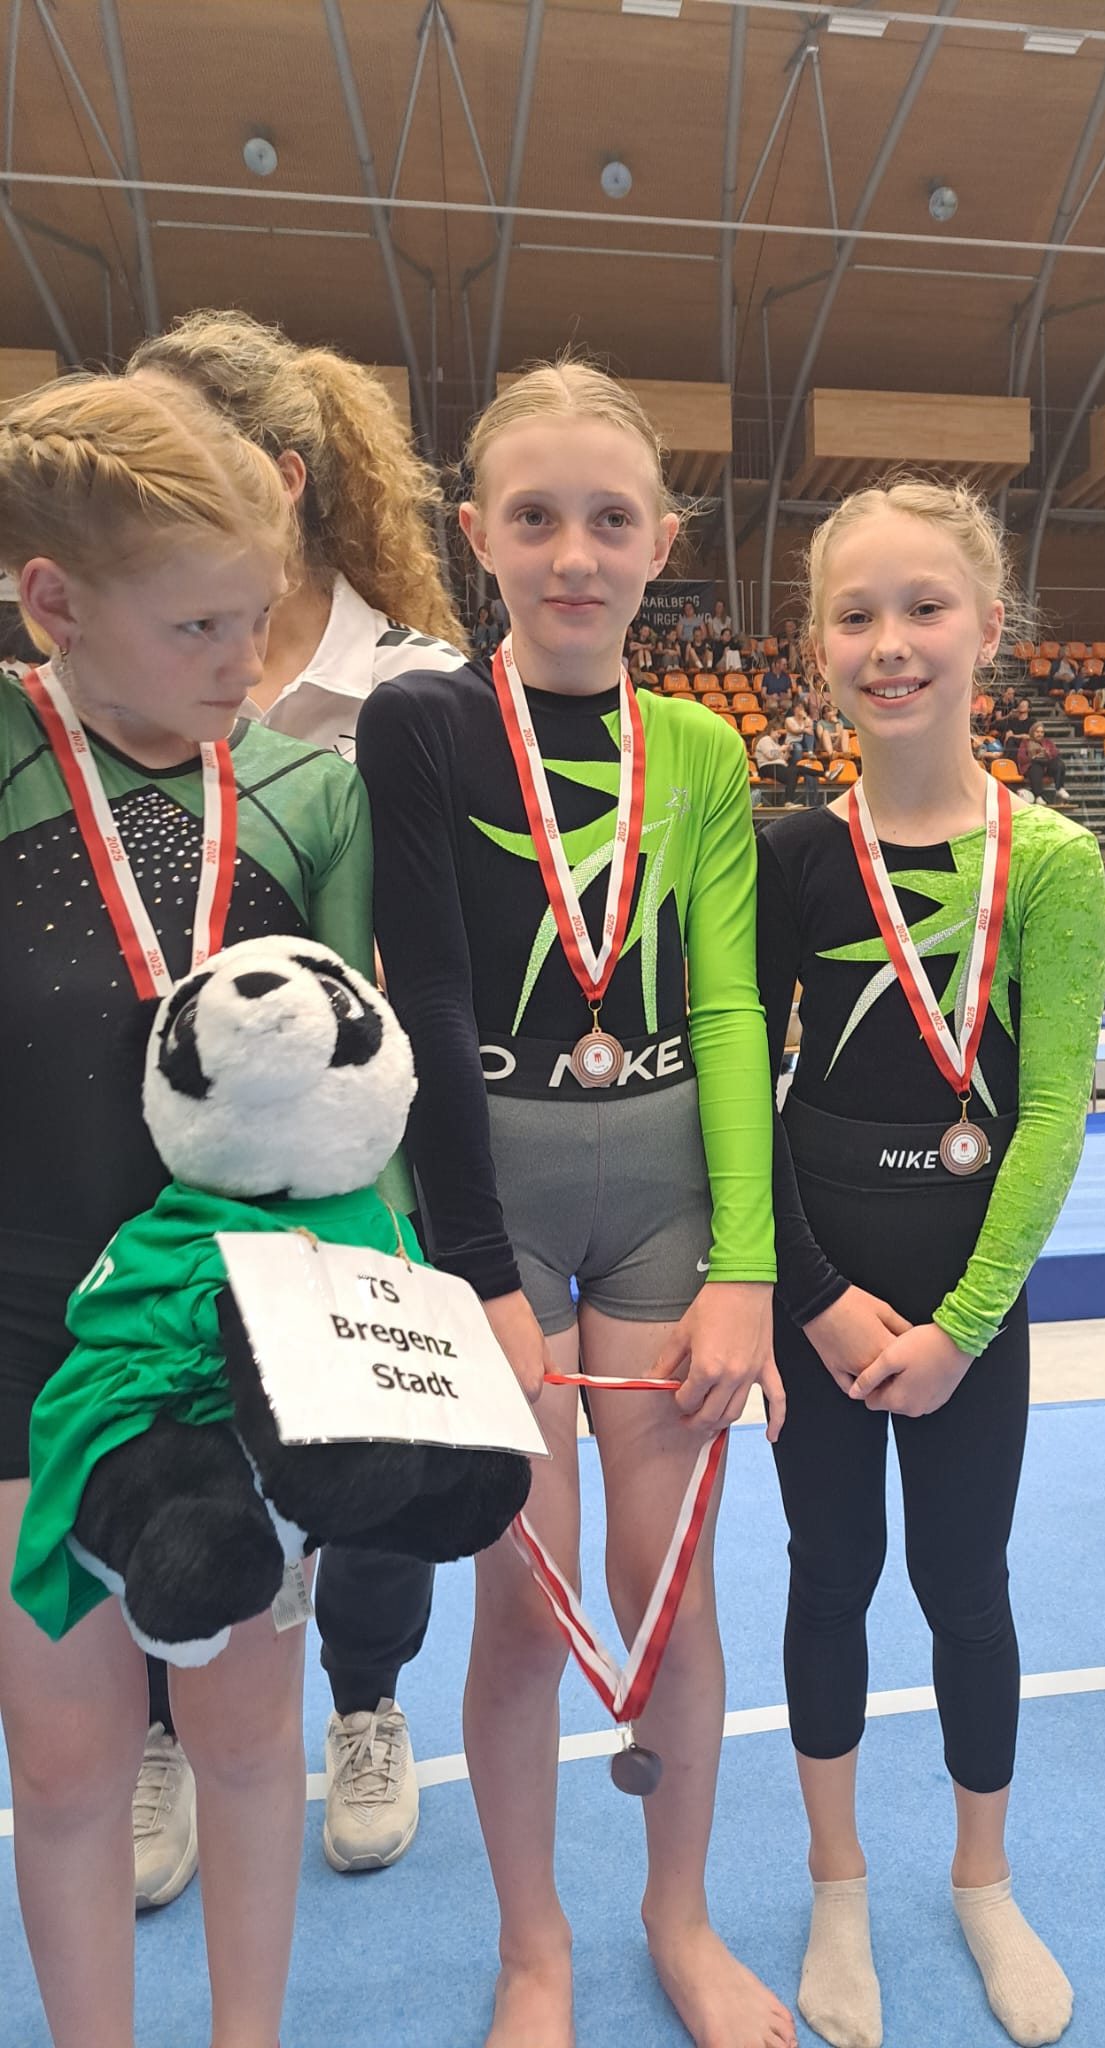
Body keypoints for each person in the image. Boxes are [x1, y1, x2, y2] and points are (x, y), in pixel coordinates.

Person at [354, 358, 793, 2048]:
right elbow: (425, 991)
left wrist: (745, 1265)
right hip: (495, 1199)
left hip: (667, 1188)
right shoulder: (423, 723)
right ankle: (533, 1947)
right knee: (525, 1602)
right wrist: (477, 1272)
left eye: (611, 519)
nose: (573, 554)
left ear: (663, 542)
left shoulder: (699, 747)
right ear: (476, 534)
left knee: (667, 1587)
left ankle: (679, 1916)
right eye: (534, 517)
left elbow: (734, 1004)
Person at [0, 372, 373, 2048]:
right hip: (23, 1341)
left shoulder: (308, 793)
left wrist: (380, 1340)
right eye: (198, 625)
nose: (245, 660)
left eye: (260, 614)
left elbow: (364, 1112)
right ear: (54, 599)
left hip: (244, 1336)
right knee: (70, 1764)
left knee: (242, 1741)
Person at [757, 478, 1105, 2048]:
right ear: (817, 644)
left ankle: (982, 1876)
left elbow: (1052, 1117)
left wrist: (966, 1325)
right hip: (821, 1286)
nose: (890, 642)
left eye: (924, 608)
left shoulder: (1052, 860)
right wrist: (814, 1299)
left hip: (972, 1301)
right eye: (857, 615)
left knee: (967, 1586)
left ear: (989, 627)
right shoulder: (788, 855)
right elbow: (740, 1095)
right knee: (829, 1574)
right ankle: (835, 1879)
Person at [128, 306, 466, 1895]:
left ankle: (368, 1702)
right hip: (156, 1139)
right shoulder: (111, 657)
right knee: (163, 1426)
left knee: (369, 1436)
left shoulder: (413, 683)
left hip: (355, 1149)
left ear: (276, 475)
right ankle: (160, 1719)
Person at [756, 718, 821, 803]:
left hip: (779, 766)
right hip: (768, 767)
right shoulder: (765, 739)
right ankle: (823, 774)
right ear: (772, 730)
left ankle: (789, 801)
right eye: (778, 733)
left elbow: (783, 758)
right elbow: (770, 755)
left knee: (797, 770)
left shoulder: (775, 743)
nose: (779, 736)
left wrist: (787, 750)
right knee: (795, 770)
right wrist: (781, 749)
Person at [1019, 721, 1062, 804]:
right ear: (1032, 732)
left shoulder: (1047, 742)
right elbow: (1021, 758)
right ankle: (1038, 796)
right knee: (1036, 768)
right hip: (1031, 765)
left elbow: (1055, 753)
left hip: (1046, 765)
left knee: (1058, 763)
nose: (1040, 734)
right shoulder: (1025, 743)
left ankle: (1060, 789)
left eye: (1042, 732)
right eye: (1037, 732)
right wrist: (1033, 757)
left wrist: (1047, 753)